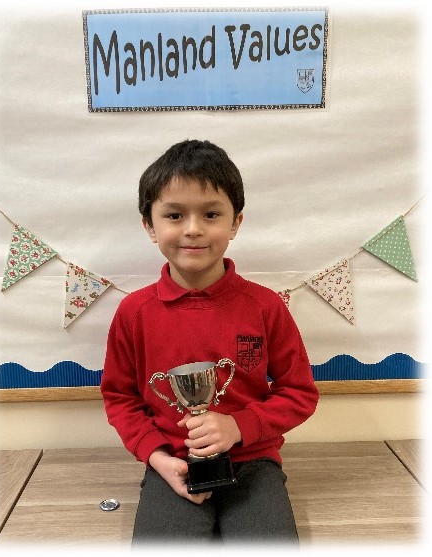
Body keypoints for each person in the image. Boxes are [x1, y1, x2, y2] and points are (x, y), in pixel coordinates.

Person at [101, 139, 319, 545]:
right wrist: (157, 458)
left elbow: (299, 393)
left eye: (211, 214)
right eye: (174, 215)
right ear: (149, 226)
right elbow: (120, 398)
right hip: (172, 465)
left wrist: (238, 426)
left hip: (254, 462)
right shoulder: (133, 313)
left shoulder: (265, 306)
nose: (193, 228)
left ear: (236, 223)